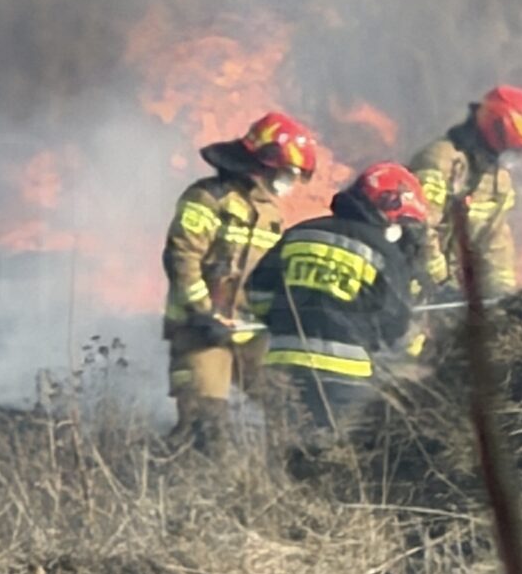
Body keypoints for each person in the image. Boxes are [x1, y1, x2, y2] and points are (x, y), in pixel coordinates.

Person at [162, 112, 317, 453]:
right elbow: (182, 257)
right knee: (204, 426)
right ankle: (162, 480)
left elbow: (265, 275)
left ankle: (284, 484)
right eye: (290, 173)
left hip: (249, 331)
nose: (290, 182)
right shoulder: (207, 198)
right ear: (268, 161)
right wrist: (204, 312)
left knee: (288, 409)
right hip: (199, 331)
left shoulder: (271, 214)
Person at [245, 162, 428, 435]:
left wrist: (285, 318)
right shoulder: (385, 255)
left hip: (284, 368)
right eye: (402, 221)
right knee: (337, 457)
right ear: (388, 209)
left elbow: (257, 294)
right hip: (346, 378)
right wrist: (415, 345)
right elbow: (394, 326)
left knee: (282, 448)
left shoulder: (299, 233)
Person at [408, 85, 522, 298]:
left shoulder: (498, 182)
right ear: (497, 133)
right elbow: (417, 228)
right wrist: (439, 282)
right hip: (412, 291)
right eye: (514, 149)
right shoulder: (439, 163)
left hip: (453, 295)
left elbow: (495, 242)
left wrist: (501, 296)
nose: (517, 158)